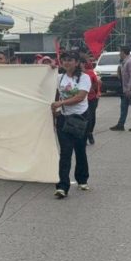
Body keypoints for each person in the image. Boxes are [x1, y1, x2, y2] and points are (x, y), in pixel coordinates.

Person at [51, 51, 91, 198]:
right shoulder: (59, 77)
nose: (67, 62)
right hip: (64, 118)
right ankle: (62, 186)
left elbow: (80, 97)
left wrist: (61, 103)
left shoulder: (84, 78)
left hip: (80, 117)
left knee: (80, 149)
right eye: (64, 60)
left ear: (76, 62)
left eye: (70, 60)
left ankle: (82, 179)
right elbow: (53, 93)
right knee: (65, 152)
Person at [110, 46, 131, 132]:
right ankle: (120, 124)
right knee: (123, 107)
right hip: (125, 89)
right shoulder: (124, 62)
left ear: (123, 52)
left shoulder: (130, 62)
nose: (119, 54)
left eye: (120, 52)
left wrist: (129, 89)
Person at [83, 57, 101, 145]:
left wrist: (95, 91)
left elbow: (97, 83)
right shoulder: (75, 74)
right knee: (85, 117)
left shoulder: (90, 72)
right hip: (81, 99)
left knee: (91, 117)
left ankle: (90, 132)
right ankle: (85, 134)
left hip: (91, 98)